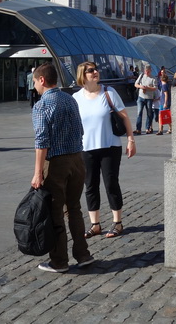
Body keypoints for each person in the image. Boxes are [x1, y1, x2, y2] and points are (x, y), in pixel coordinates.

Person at [30, 63, 94, 273]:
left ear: (42, 80)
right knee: (74, 208)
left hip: (56, 163)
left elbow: (42, 142)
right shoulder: (70, 100)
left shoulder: (41, 105)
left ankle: (59, 261)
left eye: (35, 82)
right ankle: (83, 255)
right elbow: (81, 130)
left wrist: (38, 172)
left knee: (55, 212)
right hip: (77, 160)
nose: (35, 87)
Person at [72, 61, 136, 241]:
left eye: (96, 69)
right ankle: (95, 225)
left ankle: (117, 222)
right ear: (82, 75)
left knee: (111, 184)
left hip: (110, 146)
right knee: (90, 185)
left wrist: (131, 140)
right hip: (86, 148)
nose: (95, 72)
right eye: (90, 70)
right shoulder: (76, 98)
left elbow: (125, 118)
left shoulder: (109, 92)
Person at [133, 64, 157, 135]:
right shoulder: (141, 76)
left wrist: (148, 88)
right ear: (144, 70)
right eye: (146, 71)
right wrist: (141, 87)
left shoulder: (153, 78)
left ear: (151, 71)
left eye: (148, 71)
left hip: (149, 98)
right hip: (141, 97)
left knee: (149, 113)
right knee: (139, 113)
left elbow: (155, 88)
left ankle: (147, 128)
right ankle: (138, 129)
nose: (147, 72)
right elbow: (135, 84)